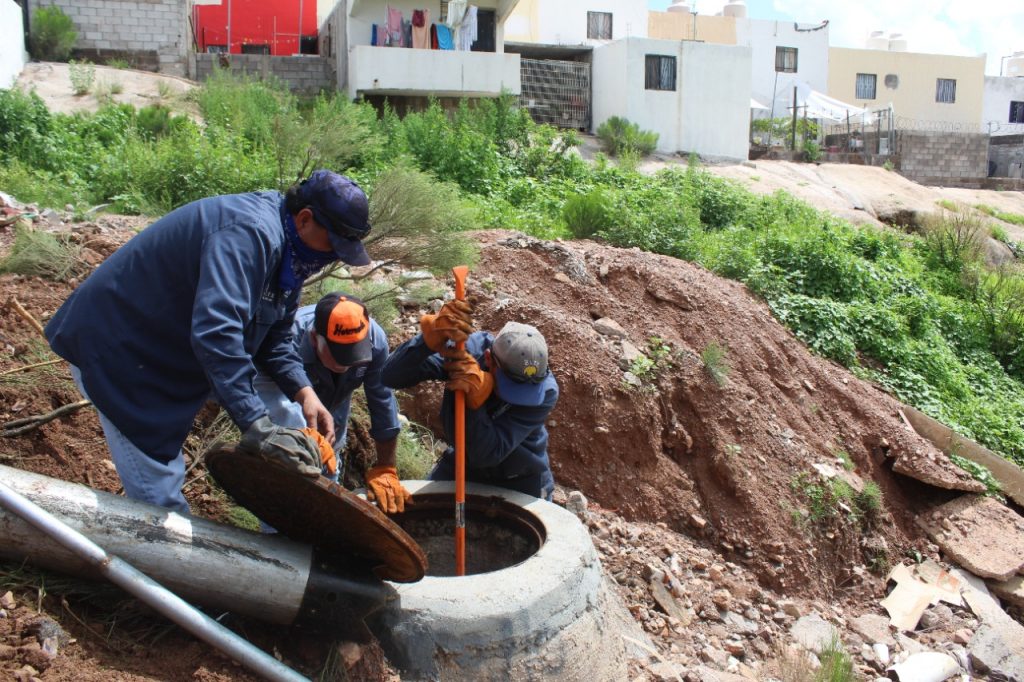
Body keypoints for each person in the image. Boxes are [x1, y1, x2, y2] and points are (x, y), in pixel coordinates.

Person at [45, 171, 373, 515]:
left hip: (164, 353)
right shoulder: (249, 234)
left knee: (285, 422)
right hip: (120, 351)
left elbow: (275, 338)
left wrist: (305, 392)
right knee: (160, 498)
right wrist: (255, 425)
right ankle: (155, 558)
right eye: (334, 247)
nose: (334, 258)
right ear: (305, 219)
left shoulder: (291, 253)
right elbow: (217, 332)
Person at [381, 303, 559, 500]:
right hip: (462, 464)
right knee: (421, 512)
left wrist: (475, 403)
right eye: (511, 385)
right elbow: (389, 377)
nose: (519, 396)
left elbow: (487, 454)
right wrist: (424, 344)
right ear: (489, 359)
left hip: (519, 478)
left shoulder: (546, 393)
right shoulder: (467, 353)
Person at [255, 292, 412, 513]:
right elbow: (272, 402)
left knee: (330, 455)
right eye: (338, 352)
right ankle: (277, 527)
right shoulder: (287, 339)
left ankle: (327, 510)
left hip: (336, 399)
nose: (347, 361)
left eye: (354, 352)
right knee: (287, 467)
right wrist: (296, 434)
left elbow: (382, 400)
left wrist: (386, 466)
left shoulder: (374, 339)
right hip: (284, 395)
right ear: (314, 338)